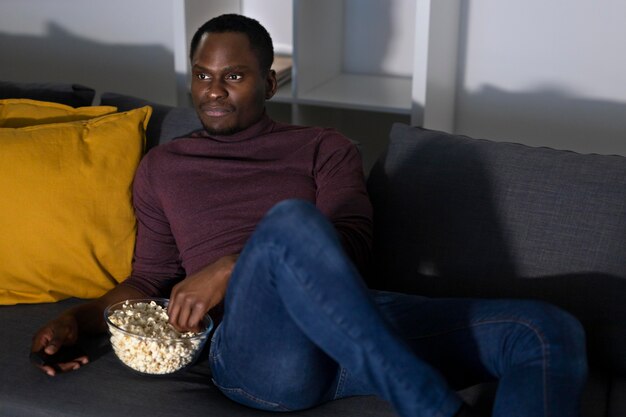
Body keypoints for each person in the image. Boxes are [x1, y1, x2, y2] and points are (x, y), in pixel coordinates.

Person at [31, 14, 588, 417]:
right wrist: (77, 322)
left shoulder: (325, 146)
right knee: (290, 224)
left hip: (358, 320)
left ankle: (402, 379)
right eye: (202, 75)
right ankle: (419, 397)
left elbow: (349, 245)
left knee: (544, 329)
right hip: (261, 353)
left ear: (270, 83)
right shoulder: (164, 167)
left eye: (234, 76)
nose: (213, 92)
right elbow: (150, 280)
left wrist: (229, 264)